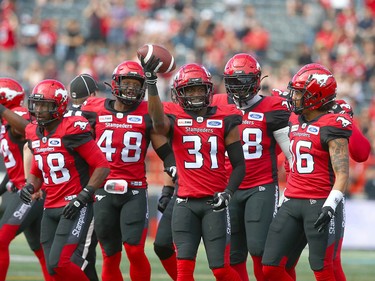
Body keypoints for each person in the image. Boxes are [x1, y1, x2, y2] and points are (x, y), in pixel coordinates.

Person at [141, 58, 246, 281]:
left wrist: (228, 193)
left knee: (220, 269)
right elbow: (158, 124)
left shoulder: (225, 117)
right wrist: (151, 82)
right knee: (183, 272)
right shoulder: (173, 115)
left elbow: (239, 165)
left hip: (214, 204)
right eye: (190, 90)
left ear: (209, 90)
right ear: (179, 93)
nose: (196, 95)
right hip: (184, 203)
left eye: (200, 89)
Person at [0, 79, 110, 281]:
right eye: (37, 104)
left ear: (59, 106)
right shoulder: (34, 131)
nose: (39, 110)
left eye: (45, 105)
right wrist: (30, 185)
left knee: (61, 262)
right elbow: (37, 168)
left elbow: (102, 166)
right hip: (50, 206)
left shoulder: (71, 128)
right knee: (53, 269)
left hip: (75, 206)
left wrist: (84, 195)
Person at [80, 60, 176, 281]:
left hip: (133, 191)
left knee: (134, 250)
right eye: (127, 82)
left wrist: (172, 169)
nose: (131, 88)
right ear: (115, 83)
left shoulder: (146, 114)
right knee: (110, 255)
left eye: (136, 83)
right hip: (103, 190)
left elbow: (165, 151)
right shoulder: (93, 110)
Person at [262, 63, 352, 281]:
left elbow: (342, 174)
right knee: (270, 267)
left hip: (320, 202)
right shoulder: (294, 119)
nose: (294, 97)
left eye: (300, 93)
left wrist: (330, 205)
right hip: (292, 201)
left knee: (322, 270)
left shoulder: (332, 124)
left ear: (316, 96)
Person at [211, 53, 292, 281]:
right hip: (228, 188)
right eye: (234, 82)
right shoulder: (218, 103)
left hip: (260, 185)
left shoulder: (273, 107)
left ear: (256, 80)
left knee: (260, 251)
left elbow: (291, 154)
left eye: (244, 81)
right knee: (234, 256)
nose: (239, 88)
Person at [282, 98, 371, 281]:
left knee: (329, 263)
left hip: (326, 197)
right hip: (296, 197)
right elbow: (288, 155)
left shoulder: (338, 111)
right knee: (283, 262)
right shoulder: (298, 115)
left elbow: (361, 153)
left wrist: (344, 118)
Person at [0, 78, 51, 281]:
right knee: (40, 251)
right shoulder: (6, 122)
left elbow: (27, 129)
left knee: (1, 241)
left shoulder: (18, 116)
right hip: (24, 191)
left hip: (32, 193)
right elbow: (15, 169)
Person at [65, 73, 100, 281]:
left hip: (61, 190)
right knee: (77, 256)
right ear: (93, 94)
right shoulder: (95, 113)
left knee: (86, 257)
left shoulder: (61, 114)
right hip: (88, 191)